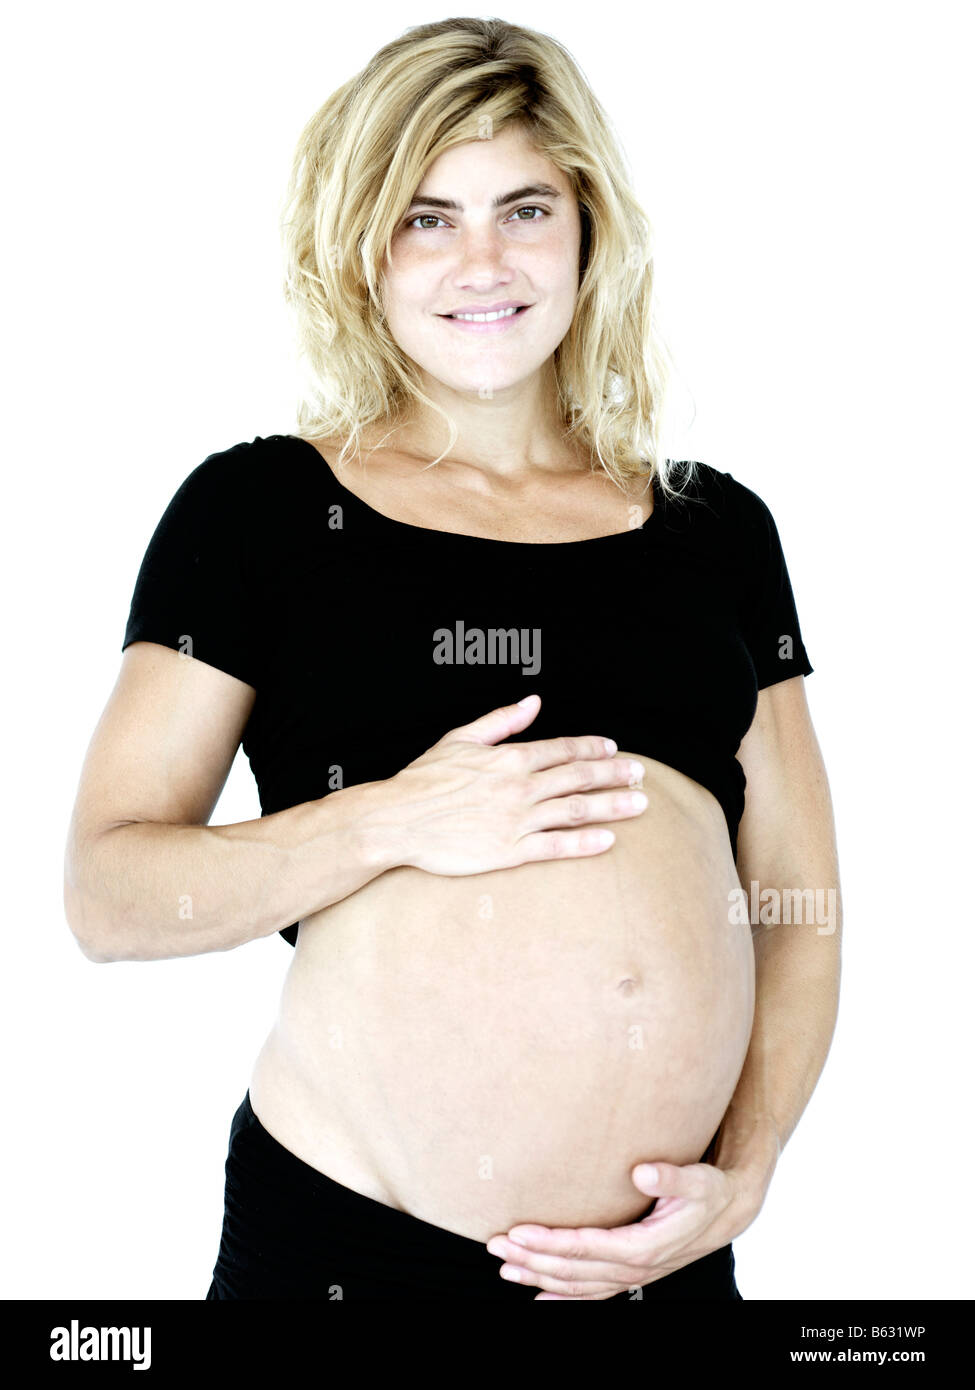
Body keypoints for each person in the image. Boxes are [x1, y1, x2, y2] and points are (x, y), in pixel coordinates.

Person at [63, 17, 841, 1301]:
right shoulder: (261, 513)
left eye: (524, 209)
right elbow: (109, 895)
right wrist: (391, 820)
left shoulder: (715, 532)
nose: (483, 262)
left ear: (589, 231)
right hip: (349, 1255)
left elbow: (798, 905)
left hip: (662, 1267)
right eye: (427, 219)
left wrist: (747, 1168)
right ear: (360, 250)